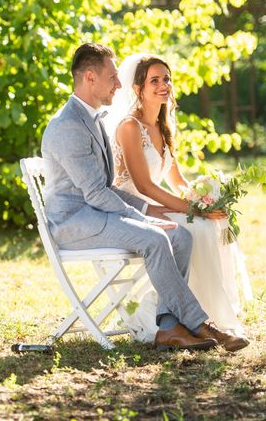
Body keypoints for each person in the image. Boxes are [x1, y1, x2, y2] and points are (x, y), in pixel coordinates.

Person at [41, 43, 248, 351]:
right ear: (90, 77)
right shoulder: (68, 125)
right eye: (112, 76)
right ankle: (201, 324)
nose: (119, 83)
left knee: (180, 236)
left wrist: (150, 215)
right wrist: (145, 218)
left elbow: (107, 188)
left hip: (97, 213)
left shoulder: (93, 118)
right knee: (155, 238)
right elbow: (96, 194)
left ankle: (167, 327)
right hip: (75, 222)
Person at [105, 52, 251, 343]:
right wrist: (193, 211)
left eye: (166, 79)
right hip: (133, 209)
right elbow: (144, 187)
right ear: (138, 89)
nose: (163, 85)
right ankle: (191, 320)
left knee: (211, 225)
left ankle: (198, 314)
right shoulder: (129, 127)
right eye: (154, 80)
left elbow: (177, 181)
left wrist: (207, 200)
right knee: (195, 227)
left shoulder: (163, 126)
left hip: (158, 205)